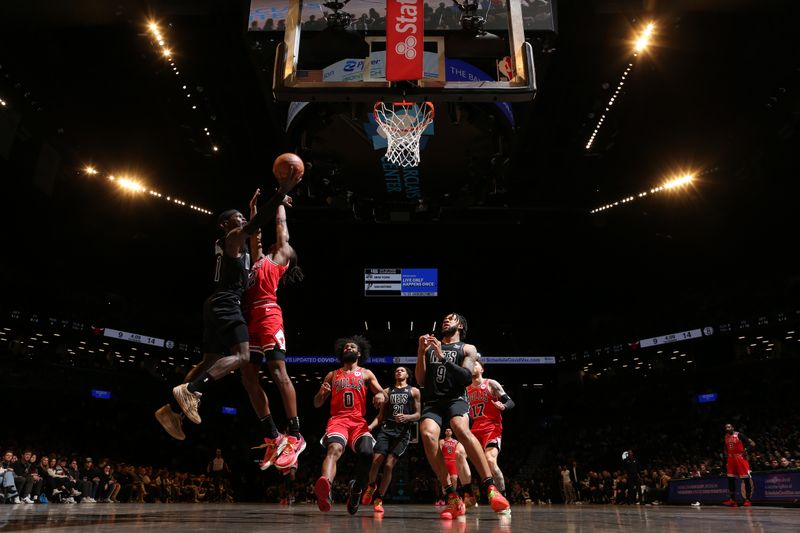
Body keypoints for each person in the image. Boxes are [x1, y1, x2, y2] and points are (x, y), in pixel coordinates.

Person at [155, 165, 303, 439]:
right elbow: (256, 232)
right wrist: (277, 197)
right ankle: (191, 392)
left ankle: (173, 410)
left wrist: (273, 205)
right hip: (234, 307)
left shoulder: (273, 260)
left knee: (213, 361)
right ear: (227, 224)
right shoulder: (243, 247)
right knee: (245, 365)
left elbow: (266, 233)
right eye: (237, 217)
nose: (242, 219)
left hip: (252, 311)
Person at [415, 313, 510, 519]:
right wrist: (421, 352)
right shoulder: (431, 346)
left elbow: (466, 377)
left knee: (460, 426)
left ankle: (490, 488)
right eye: (444, 318)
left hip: (455, 398)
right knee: (428, 435)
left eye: (451, 318)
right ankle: (452, 496)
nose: (445, 320)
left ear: (460, 325)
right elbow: (421, 380)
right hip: (432, 401)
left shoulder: (468, 348)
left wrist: (442, 357)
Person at [244, 190, 305, 470]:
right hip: (250, 318)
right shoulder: (258, 260)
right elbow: (254, 234)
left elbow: (281, 230)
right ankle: (273, 435)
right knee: (248, 378)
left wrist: (279, 203)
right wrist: (254, 206)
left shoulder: (279, 258)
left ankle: (295, 433)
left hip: (269, 313)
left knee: (278, 371)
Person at [313, 335, 387, 514]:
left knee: (367, 452)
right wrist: (321, 394)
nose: (348, 349)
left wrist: (379, 395)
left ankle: (356, 490)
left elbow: (383, 394)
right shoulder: (332, 374)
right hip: (338, 420)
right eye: (346, 347)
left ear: (359, 353)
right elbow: (316, 403)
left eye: (352, 347)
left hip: (358, 422)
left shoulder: (366, 373)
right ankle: (326, 489)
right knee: (334, 449)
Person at [361, 366, 421, 514]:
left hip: (403, 433)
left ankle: (379, 499)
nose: (398, 372)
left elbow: (418, 414)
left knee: (388, 466)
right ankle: (371, 485)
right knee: (376, 460)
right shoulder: (387, 391)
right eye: (396, 371)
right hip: (386, 429)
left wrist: (407, 417)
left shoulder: (414, 391)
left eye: (402, 370)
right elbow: (380, 416)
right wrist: (370, 427)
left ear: (407, 374)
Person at [466, 360, 514, 498]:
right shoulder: (466, 389)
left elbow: (510, 402)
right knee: (458, 454)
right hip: (473, 430)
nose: (472, 366)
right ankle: (466, 496)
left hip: (491, 428)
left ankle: (503, 497)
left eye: (475, 363)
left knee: (490, 461)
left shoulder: (490, 384)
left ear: (482, 369)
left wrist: (503, 406)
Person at [722, 423, 756, 507]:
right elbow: (725, 448)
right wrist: (726, 456)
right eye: (726, 427)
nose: (727, 428)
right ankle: (733, 500)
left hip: (740, 458)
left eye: (729, 427)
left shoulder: (739, 435)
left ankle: (747, 500)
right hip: (730, 459)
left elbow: (752, 444)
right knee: (730, 479)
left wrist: (746, 450)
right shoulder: (726, 437)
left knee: (745, 479)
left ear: (733, 427)